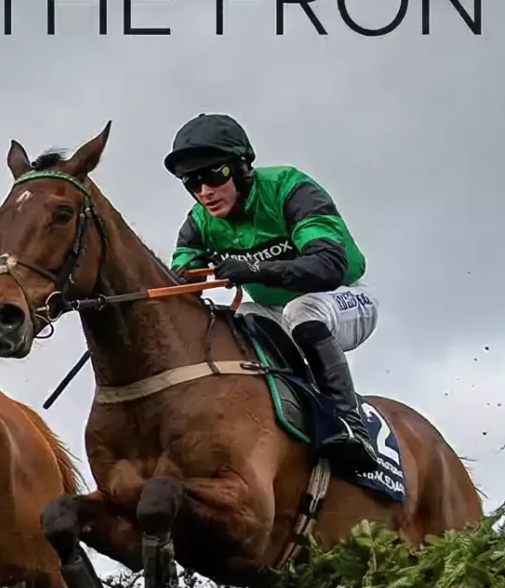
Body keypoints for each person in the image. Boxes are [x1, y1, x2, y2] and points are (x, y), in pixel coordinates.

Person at [163, 113, 381, 474]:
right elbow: (179, 284)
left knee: (301, 312)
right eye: (192, 181)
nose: (204, 191)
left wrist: (255, 270)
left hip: (342, 298)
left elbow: (328, 266)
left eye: (214, 175)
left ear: (242, 167)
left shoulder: (289, 188)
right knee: (237, 322)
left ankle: (352, 427)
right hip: (272, 310)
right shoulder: (199, 221)